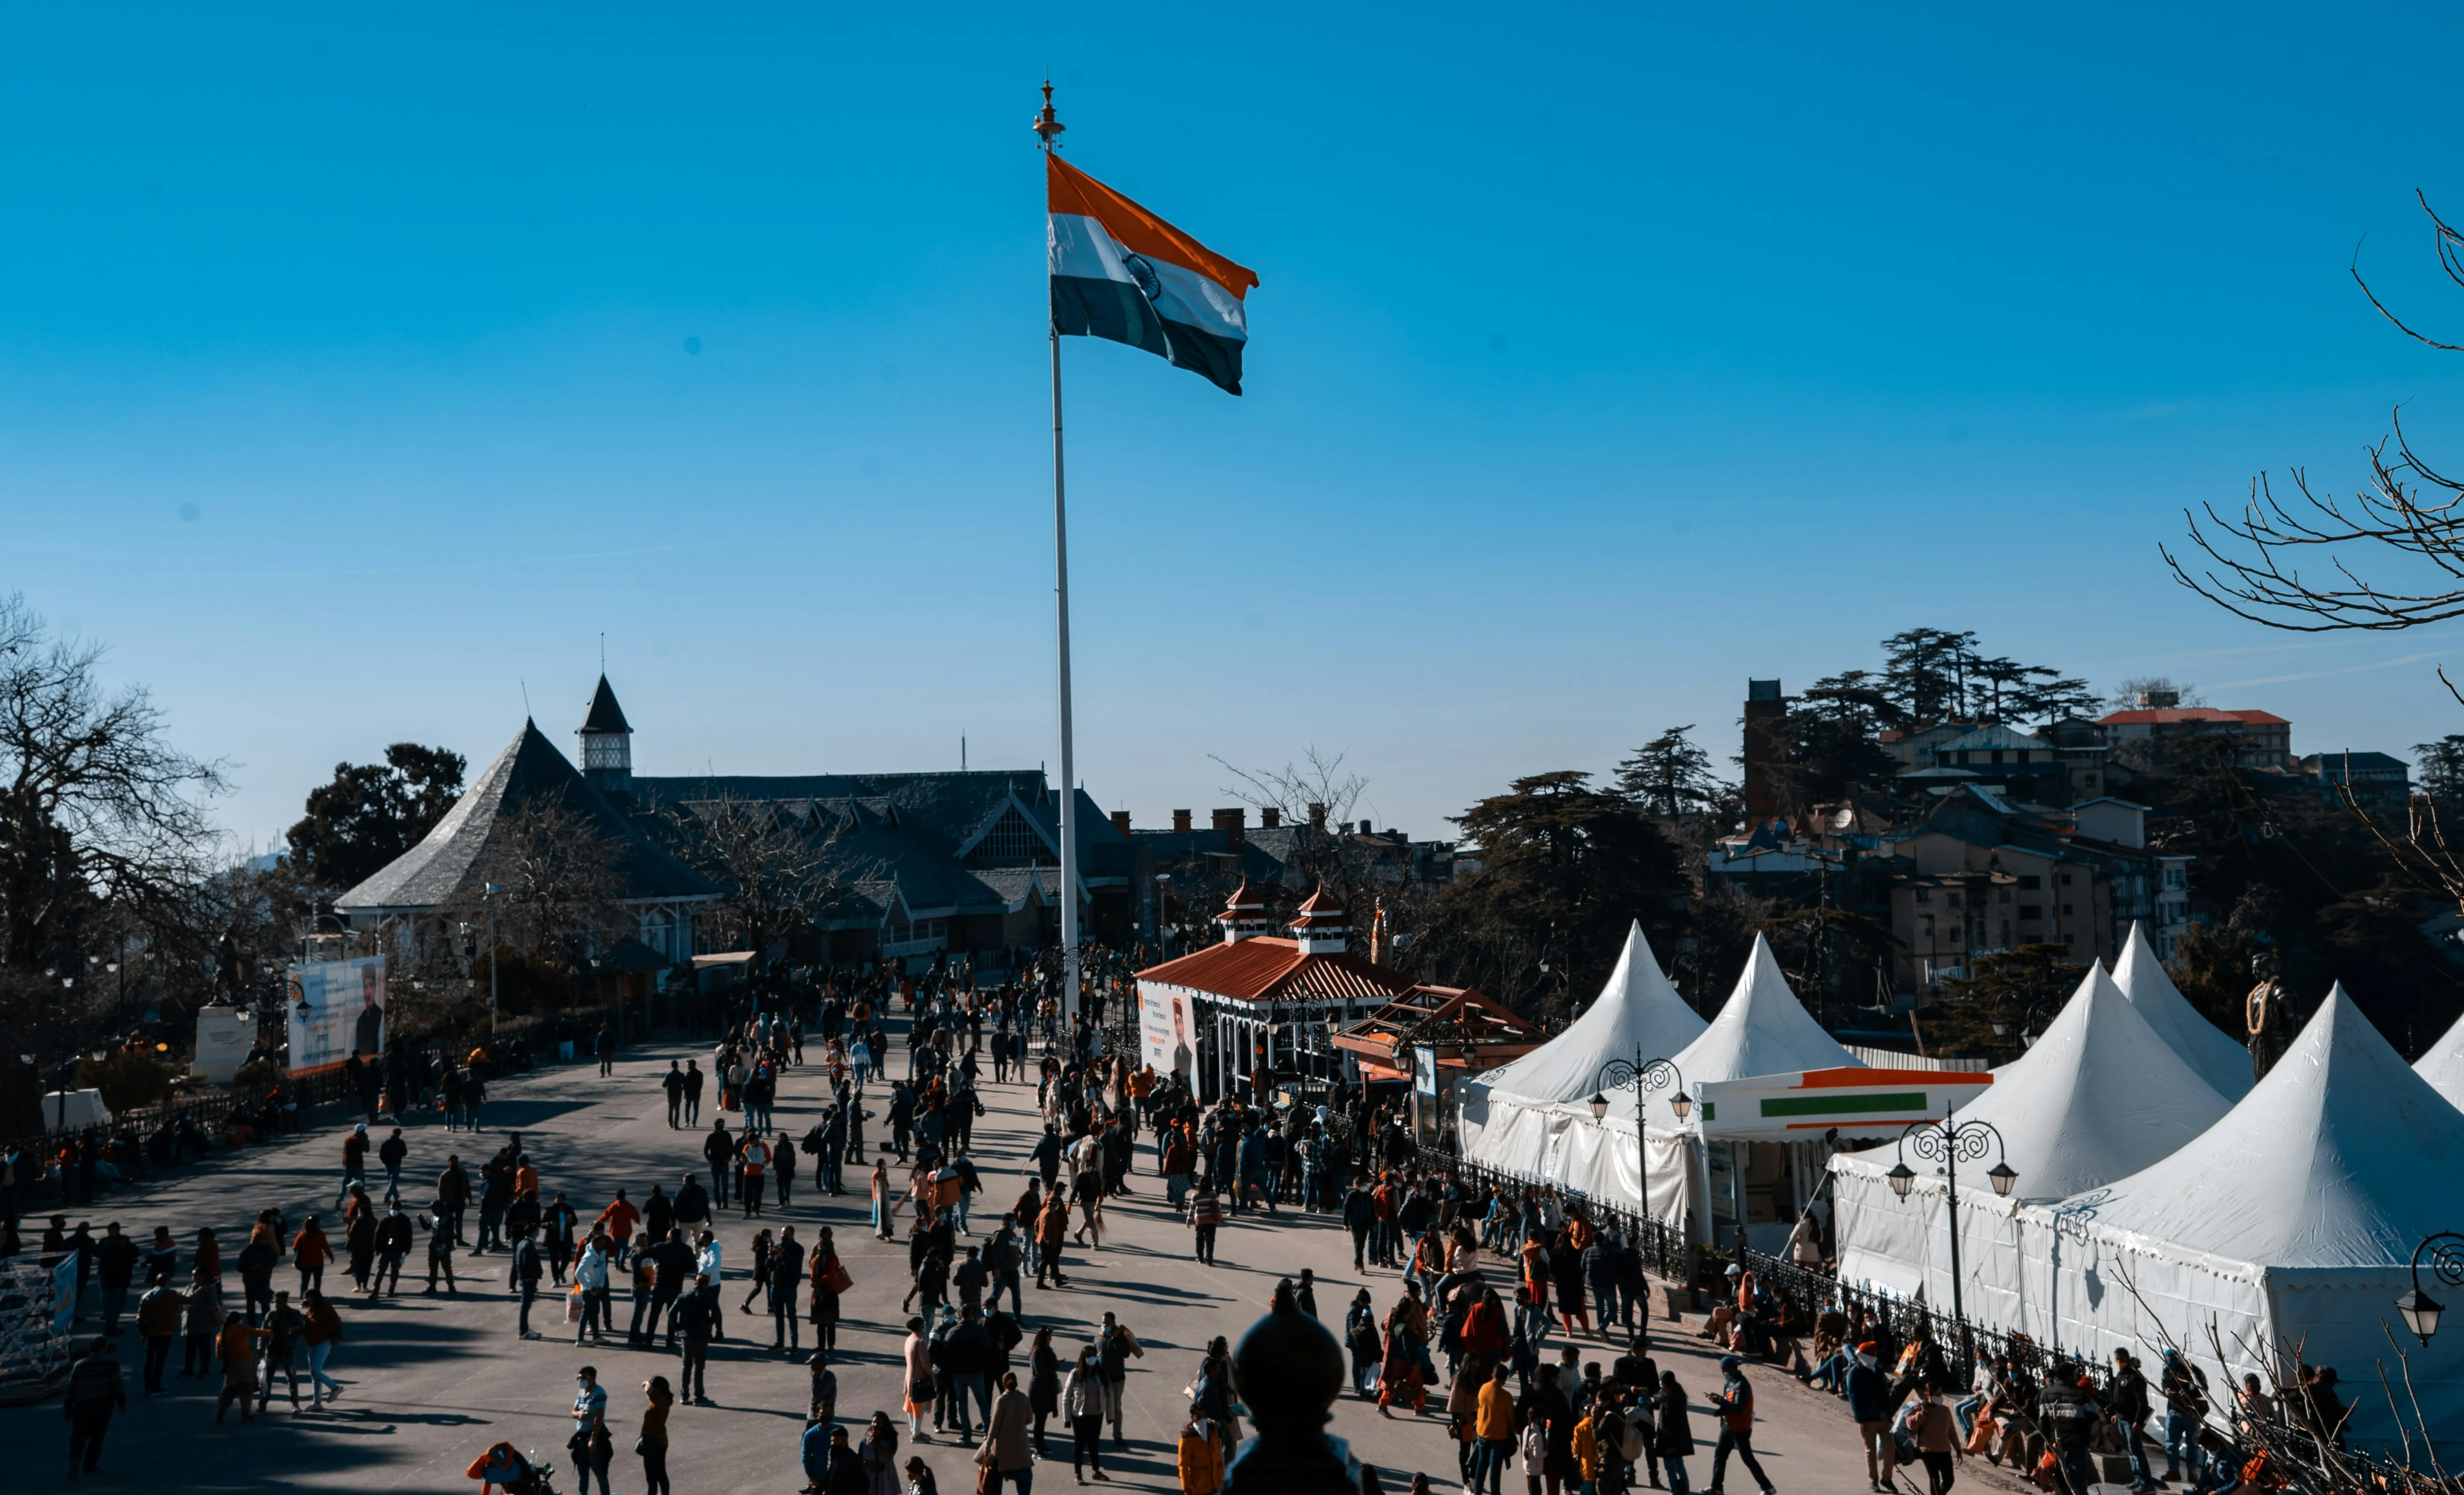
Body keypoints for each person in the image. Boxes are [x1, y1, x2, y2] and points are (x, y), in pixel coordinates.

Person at [1704, 1355, 1773, 1495]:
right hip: (1728, 1426)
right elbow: (1728, 1403)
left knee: (1748, 1459)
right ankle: (1716, 1488)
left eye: (1725, 1371)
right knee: (1720, 1455)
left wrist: (1721, 1402)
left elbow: (1739, 1407)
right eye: (1722, 1371)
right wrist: (1719, 1409)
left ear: (1733, 1369)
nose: (1724, 1374)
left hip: (1740, 1428)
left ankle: (1768, 1488)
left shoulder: (1743, 1385)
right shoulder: (1730, 1384)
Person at [63, 1337, 126, 1480]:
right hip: (103, 1404)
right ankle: (90, 1467)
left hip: (82, 1404)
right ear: (104, 1348)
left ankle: (75, 1460)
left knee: (78, 1435)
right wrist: (122, 1404)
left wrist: (67, 1407)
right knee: (97, 1436)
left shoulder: (80, 1365)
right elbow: (118, 1385)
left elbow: (72, 1388)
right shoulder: (111, 1363)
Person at [1845, 1341, 1895, 1493]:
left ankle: (1887, 1478)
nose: (1875, 1356)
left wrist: (1889, 1415)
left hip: (1884, 1418)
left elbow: (1885, 1394)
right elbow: (1853, 1398)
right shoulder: (1855, 1373)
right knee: (1871, 1451)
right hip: (1867, 1419)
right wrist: (1860, 1419)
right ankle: (1873, 1481)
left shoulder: (1878, 1371)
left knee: (1890, 1448)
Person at [983, 1368, 1037, 1495]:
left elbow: (994, 1427)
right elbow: (1030, 1419)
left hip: (1003, 1452)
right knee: (1024, 1482)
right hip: (1021, 1450)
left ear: (1004, 1384)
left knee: (996, 1484)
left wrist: (987, 1447)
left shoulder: (1002, 1401)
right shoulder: (1024, 1398)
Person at [1096, 1310, 1143, 1448]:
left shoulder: (1121, 1337)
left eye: (1108, 1323)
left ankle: (1118, 1436)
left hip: (1116, 1379)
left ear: (1114, 1323)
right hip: (1101, 1379)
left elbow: (1127, 1354)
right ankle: (1096, 1435)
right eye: (1103, 1322)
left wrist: (1116, 1339)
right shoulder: (1098, 1337)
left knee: (1116, 1407)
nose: (1105, 1325)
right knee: (1099, 1408)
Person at [1064, 1343, 1108, 1483]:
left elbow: (1109, 1394)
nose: (1092, 1359)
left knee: (1094, 1443)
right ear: (1084, 1358)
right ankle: (1078, 1473)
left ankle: (1096, 1471)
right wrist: (1067, 1418)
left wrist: (1110, 1415)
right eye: (1089, 1356)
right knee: (1080, 1443)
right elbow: (1067, 1395)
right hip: (1081, 1414)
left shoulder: (1101, 1373)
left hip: (1097, 1414)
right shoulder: (1076, 1373)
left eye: (1094, 1356)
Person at [213, 1311, 265, 1423]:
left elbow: (219, 1356)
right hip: (245, 1366)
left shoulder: (221, 1335)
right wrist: (275, 1333)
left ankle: (220, 1416)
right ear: (239, 1321)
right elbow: (259, 1332)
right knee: (247, 1392)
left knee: (228, 1393)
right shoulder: (241, 1329)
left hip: (231, 1367)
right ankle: (245, 1416)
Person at [1908, 1384, 1958, 1495]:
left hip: (1945, 1451)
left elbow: (1952, 1432)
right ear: (1928, 1395)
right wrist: (1923, 1413)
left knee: (1949, 1480)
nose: (1940, 1397)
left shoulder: (1945, 1410)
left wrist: (1958, 1450)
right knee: (1935, 1479)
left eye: (1941, 1394)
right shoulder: (1919, 1409)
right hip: (1928, 1451)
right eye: (1937, 1395)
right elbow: (1911, 1425)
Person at [1474, 1363, 1516, 1495]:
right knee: (1495, 1469)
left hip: (1482, 1432)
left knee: (1481, 1464)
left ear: (1493, 1375)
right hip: (1498, 1436)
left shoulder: (1484, 1388)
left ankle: (1477, 1492)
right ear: (1505, 1379)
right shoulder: (1506, 1396)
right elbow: (1512, 1419)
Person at [572, 1365, 614, 1495]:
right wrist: (579, 1415)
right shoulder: (582, 1392)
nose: (581, 1381)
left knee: (600, 1473)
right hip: (581, 1438)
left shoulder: (599, 1393)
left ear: (593, 1378)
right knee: (582, 1473)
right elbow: (573, 1411)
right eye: (579, 1378)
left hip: (593, 1437)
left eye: (584, 1378)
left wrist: (593, 1440)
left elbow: (599, 1417)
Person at [673, 1273, 715, 1404]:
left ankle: (684, 1396)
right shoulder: (708, 1297)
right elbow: (717, 1312)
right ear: (706, 1284)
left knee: (687, 1365)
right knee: (699, 1365)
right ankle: (699, 1396)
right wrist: (711, 1322)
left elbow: (672, 1312)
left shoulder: (684, 1296)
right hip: (701, 1334)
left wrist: (677, 1327)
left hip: (686, 1334)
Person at [302, 1288, 344, 1406]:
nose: (306, 1301)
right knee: (315, 1374)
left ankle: (335, 1388)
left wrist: (322, 1333)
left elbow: (336, 1323)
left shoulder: (327, 1308)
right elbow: (308, 1328)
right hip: (311, 1343)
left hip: (324, 1342)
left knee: (316, 1372)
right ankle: (317, 1403)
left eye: (308, 1298)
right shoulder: (310, 1311)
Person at [1656, 1370, 1695, 1495]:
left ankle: (1675, 1492)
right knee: (1680, 1465)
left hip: (1669, 1440)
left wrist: (1669, 1445)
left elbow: (1669, 1423)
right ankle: (1685, 1491)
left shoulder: (1669, 1397)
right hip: (1680, 1439)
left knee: (1670, 1469)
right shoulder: (1678, 1393)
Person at [1178, 1399, 1225, 1495]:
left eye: (1204, 1417)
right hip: (1199, 1488)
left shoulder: (1213, 1433)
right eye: (1199, 1417)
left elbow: (1219, 1457)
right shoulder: (1187, 1439)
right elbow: (1183, 1465)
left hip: (1216, 1485)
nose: (1202, 1420)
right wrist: (1187, 1489)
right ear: (1192, 1417)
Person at [640, 1374, 674, 1495]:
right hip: (656, 1441)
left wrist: (646, 1383)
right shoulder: (661, 1400)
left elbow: (648, 1390)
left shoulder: (660, 1401)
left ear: (658, 1390)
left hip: (654, 1442)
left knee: (655, 1475)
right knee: (657, 1474)